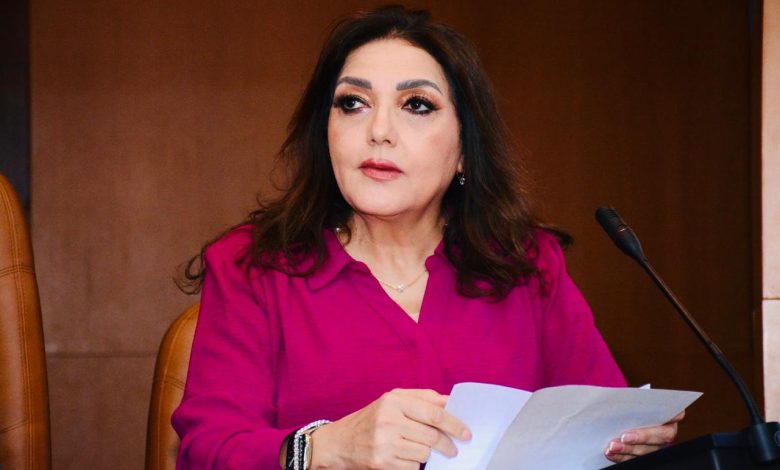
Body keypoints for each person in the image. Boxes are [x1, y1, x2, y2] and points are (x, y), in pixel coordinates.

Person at [172, 5, 684, 469]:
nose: (378, 131)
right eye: (353, 103)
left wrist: (628, 440)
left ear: (464, 149)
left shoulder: (526, 263)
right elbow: (206, 450)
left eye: (416, 105)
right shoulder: (253, 266)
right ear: (324, 133)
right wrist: (326, 448)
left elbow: (599, 418)